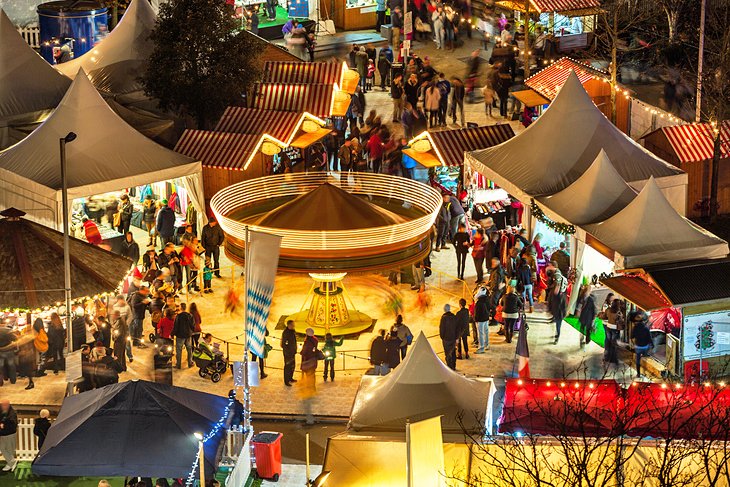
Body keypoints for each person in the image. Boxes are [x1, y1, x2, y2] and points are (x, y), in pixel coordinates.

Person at [630, 311, 653, 379]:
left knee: (638, 361)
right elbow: (649, 338)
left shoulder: (635, 328)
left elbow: (631, 337)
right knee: (646, 353)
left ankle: (638, 374)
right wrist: (652, 344)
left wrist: (634, 344)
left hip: (638, 347)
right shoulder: (646, 329)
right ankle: (645, 355)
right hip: (645, 347)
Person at [600, 299, 623, 365]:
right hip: (615, 329)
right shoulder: (618, 312)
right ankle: (614, 359)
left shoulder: (608, 310)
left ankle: (606, 358)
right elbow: (620, 320)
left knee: (609, 342)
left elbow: (604, 316)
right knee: (614, 344)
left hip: (608, 328)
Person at [172, 304, 195, 369]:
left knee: (179, 350)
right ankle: (190, 363)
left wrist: (172, 334)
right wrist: (191, 332)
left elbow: (176, 327)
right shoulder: (190, 315)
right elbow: (193, 325)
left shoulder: (178, 316)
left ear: (181, 308)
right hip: (188, 335)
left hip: (180, 336)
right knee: (189, 349)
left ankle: (178, 365)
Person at [549, 268, 568, 344]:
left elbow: (564, 306)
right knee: (557, 325)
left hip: (559, 314)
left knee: (558, 326)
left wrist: (564, 313)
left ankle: (557, 337)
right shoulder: (553, 294)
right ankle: (557, 335)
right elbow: (551, 302)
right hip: (556, 312)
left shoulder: (562, 296)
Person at [300, 328, 319, 393]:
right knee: (312, 374)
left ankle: (309, 387)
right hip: (313, 359)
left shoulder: (307, 342)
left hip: (308, 360)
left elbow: (305, 351)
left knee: (308, 374)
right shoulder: (315, 340)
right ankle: (313, 387)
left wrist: (302, 352)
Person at [487, 257, 505, 324]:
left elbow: (496, 282)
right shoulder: (497, 269)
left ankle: (495, 320)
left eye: (494, 262)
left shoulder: (497, 271)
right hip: (497, 289)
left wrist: (491, 289)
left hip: (496, 290)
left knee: (493, 304)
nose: (492, 264)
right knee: (494, 304)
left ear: (497, 262)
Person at [439, 304, 458, 370]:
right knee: (453, 352)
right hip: (453, 338)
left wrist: (442, 337)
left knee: (447, 353)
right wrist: (456, 337)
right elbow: (457, 328)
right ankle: (454, 366)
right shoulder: (454, 317)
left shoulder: (444, 318)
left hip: (446, 339)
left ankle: (449, 367)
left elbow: (442, 329)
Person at [0, 400, 17, 471]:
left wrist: (3, 425)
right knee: (3, 448)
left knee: (8, 449)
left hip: (9, 434)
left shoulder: (12, 414)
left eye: (4, 405)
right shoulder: (2, 411)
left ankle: (11, 463)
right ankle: (11, 461)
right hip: (3, 434)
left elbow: (12, 424)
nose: (3, 407)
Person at [281, 320, 298, 386]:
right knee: (287, 366)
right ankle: (286, 380)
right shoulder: (286, 333)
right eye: (292, 325)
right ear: (289, 325)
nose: (294, 326)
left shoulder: (292, 332)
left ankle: (290, 378)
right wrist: (288, 353)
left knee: (292, 366)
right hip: (288, 354)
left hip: (292, 352)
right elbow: (284, 344)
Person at [474, 287, 490, 353]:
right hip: (486, 318)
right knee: (486, 331)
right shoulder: (487, 299)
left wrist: (475, 319)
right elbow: (489, 308)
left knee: (480, 333)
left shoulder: (478, 302)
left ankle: (481, 348)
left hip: (480, 320)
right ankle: (487, 345)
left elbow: (476, 312)